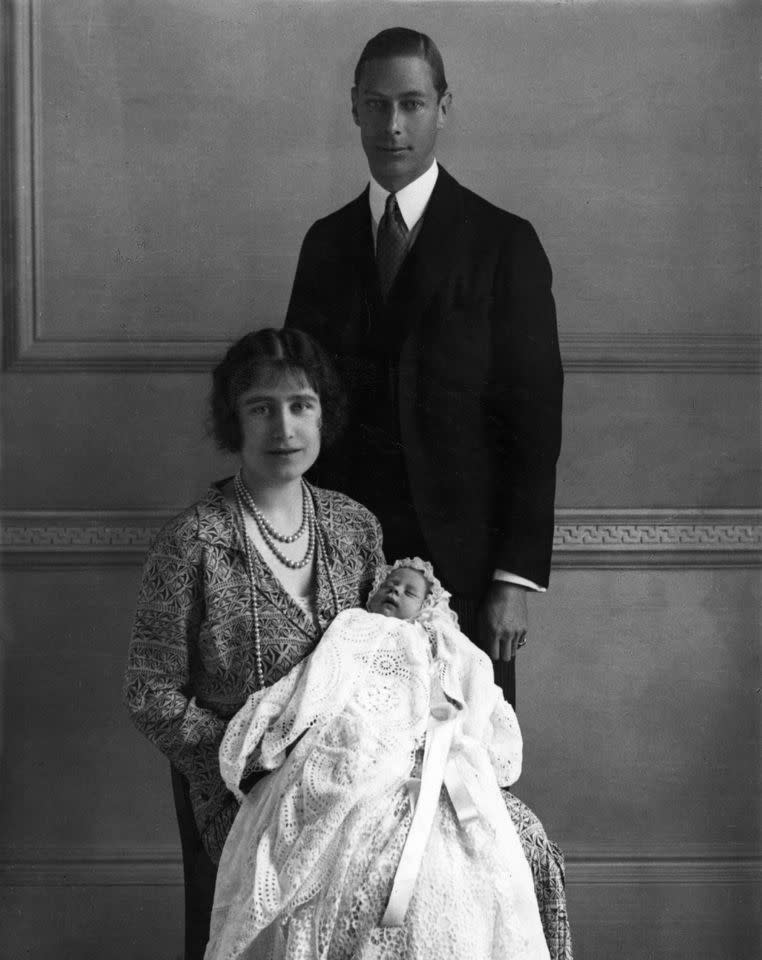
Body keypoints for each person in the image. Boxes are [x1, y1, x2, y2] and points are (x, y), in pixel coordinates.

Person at [285, 27, 564, 705]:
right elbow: (300, 405)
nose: (393, 126)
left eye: (411, 104)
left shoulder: (503, 243)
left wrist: (511, 581)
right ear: (354, 108)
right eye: (376, 105)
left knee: (462, 774)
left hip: (465, 572)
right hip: (343, 572)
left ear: (444, 106)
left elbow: (534, 422)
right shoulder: (325, 244)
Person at [123, 327, 385, 960]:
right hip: (246, 794)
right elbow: (148, 691)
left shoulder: (355, 527)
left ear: (325, 415)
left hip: (357, 777)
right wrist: (246, 758)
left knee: (487, 845)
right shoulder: (194, 542)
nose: (284, 428)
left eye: (302, 405)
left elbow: (387, 660)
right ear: (232, 422)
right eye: (260, 408)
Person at [205, 559, 550, 960]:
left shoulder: (437, 640)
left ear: (427, 606)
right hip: (359, 726)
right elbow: (322, 675)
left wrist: (453, 730)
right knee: (343, 774)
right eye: (390, 584)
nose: (395, 593)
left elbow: (472, 681)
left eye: (409, 592)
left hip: (420, 734)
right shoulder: (354, 625)